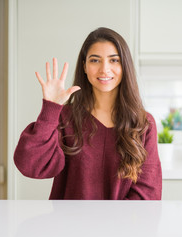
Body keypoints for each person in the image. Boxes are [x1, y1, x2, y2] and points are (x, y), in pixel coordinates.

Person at [14, 27, 162, 200]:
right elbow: (31, 166)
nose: (104, 69)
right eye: (95, 60)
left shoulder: (143, 123)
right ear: (84, 66)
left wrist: (116, 225)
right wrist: (50, 108)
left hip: (123, 226)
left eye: (114, 60)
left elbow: (148, 193)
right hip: (70, 225)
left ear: (124, 66)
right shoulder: (65, 117)